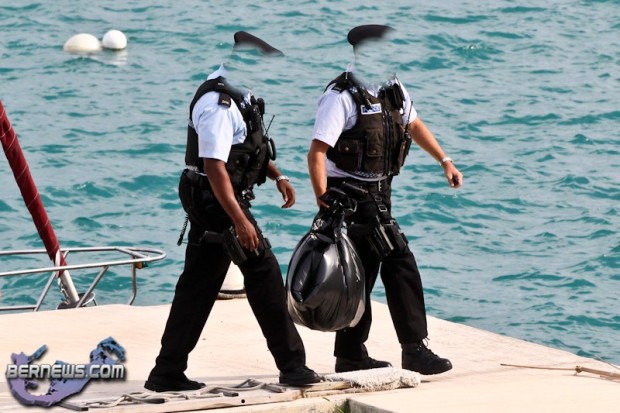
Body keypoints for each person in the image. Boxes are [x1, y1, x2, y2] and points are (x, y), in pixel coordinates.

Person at [145, 31, 320, 392]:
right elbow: (214, 165)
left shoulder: (242, 94)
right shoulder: (218, 105)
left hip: (215, 196)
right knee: (264, 273)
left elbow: (247, 150)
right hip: (216, 199)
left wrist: (277, 175)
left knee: (197, 284)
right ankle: (292, 366)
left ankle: (166, 372)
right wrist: (240, 220)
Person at [307, 25, 463, 375]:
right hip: (351, 194)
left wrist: (444, 160)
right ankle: (414, 348)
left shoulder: (393, 88)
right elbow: (317, 153)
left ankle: (349, 354)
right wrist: (323, 200)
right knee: (399, 259)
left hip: (381, 191)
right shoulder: (341, 96)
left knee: (363, 270)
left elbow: (414, 123)